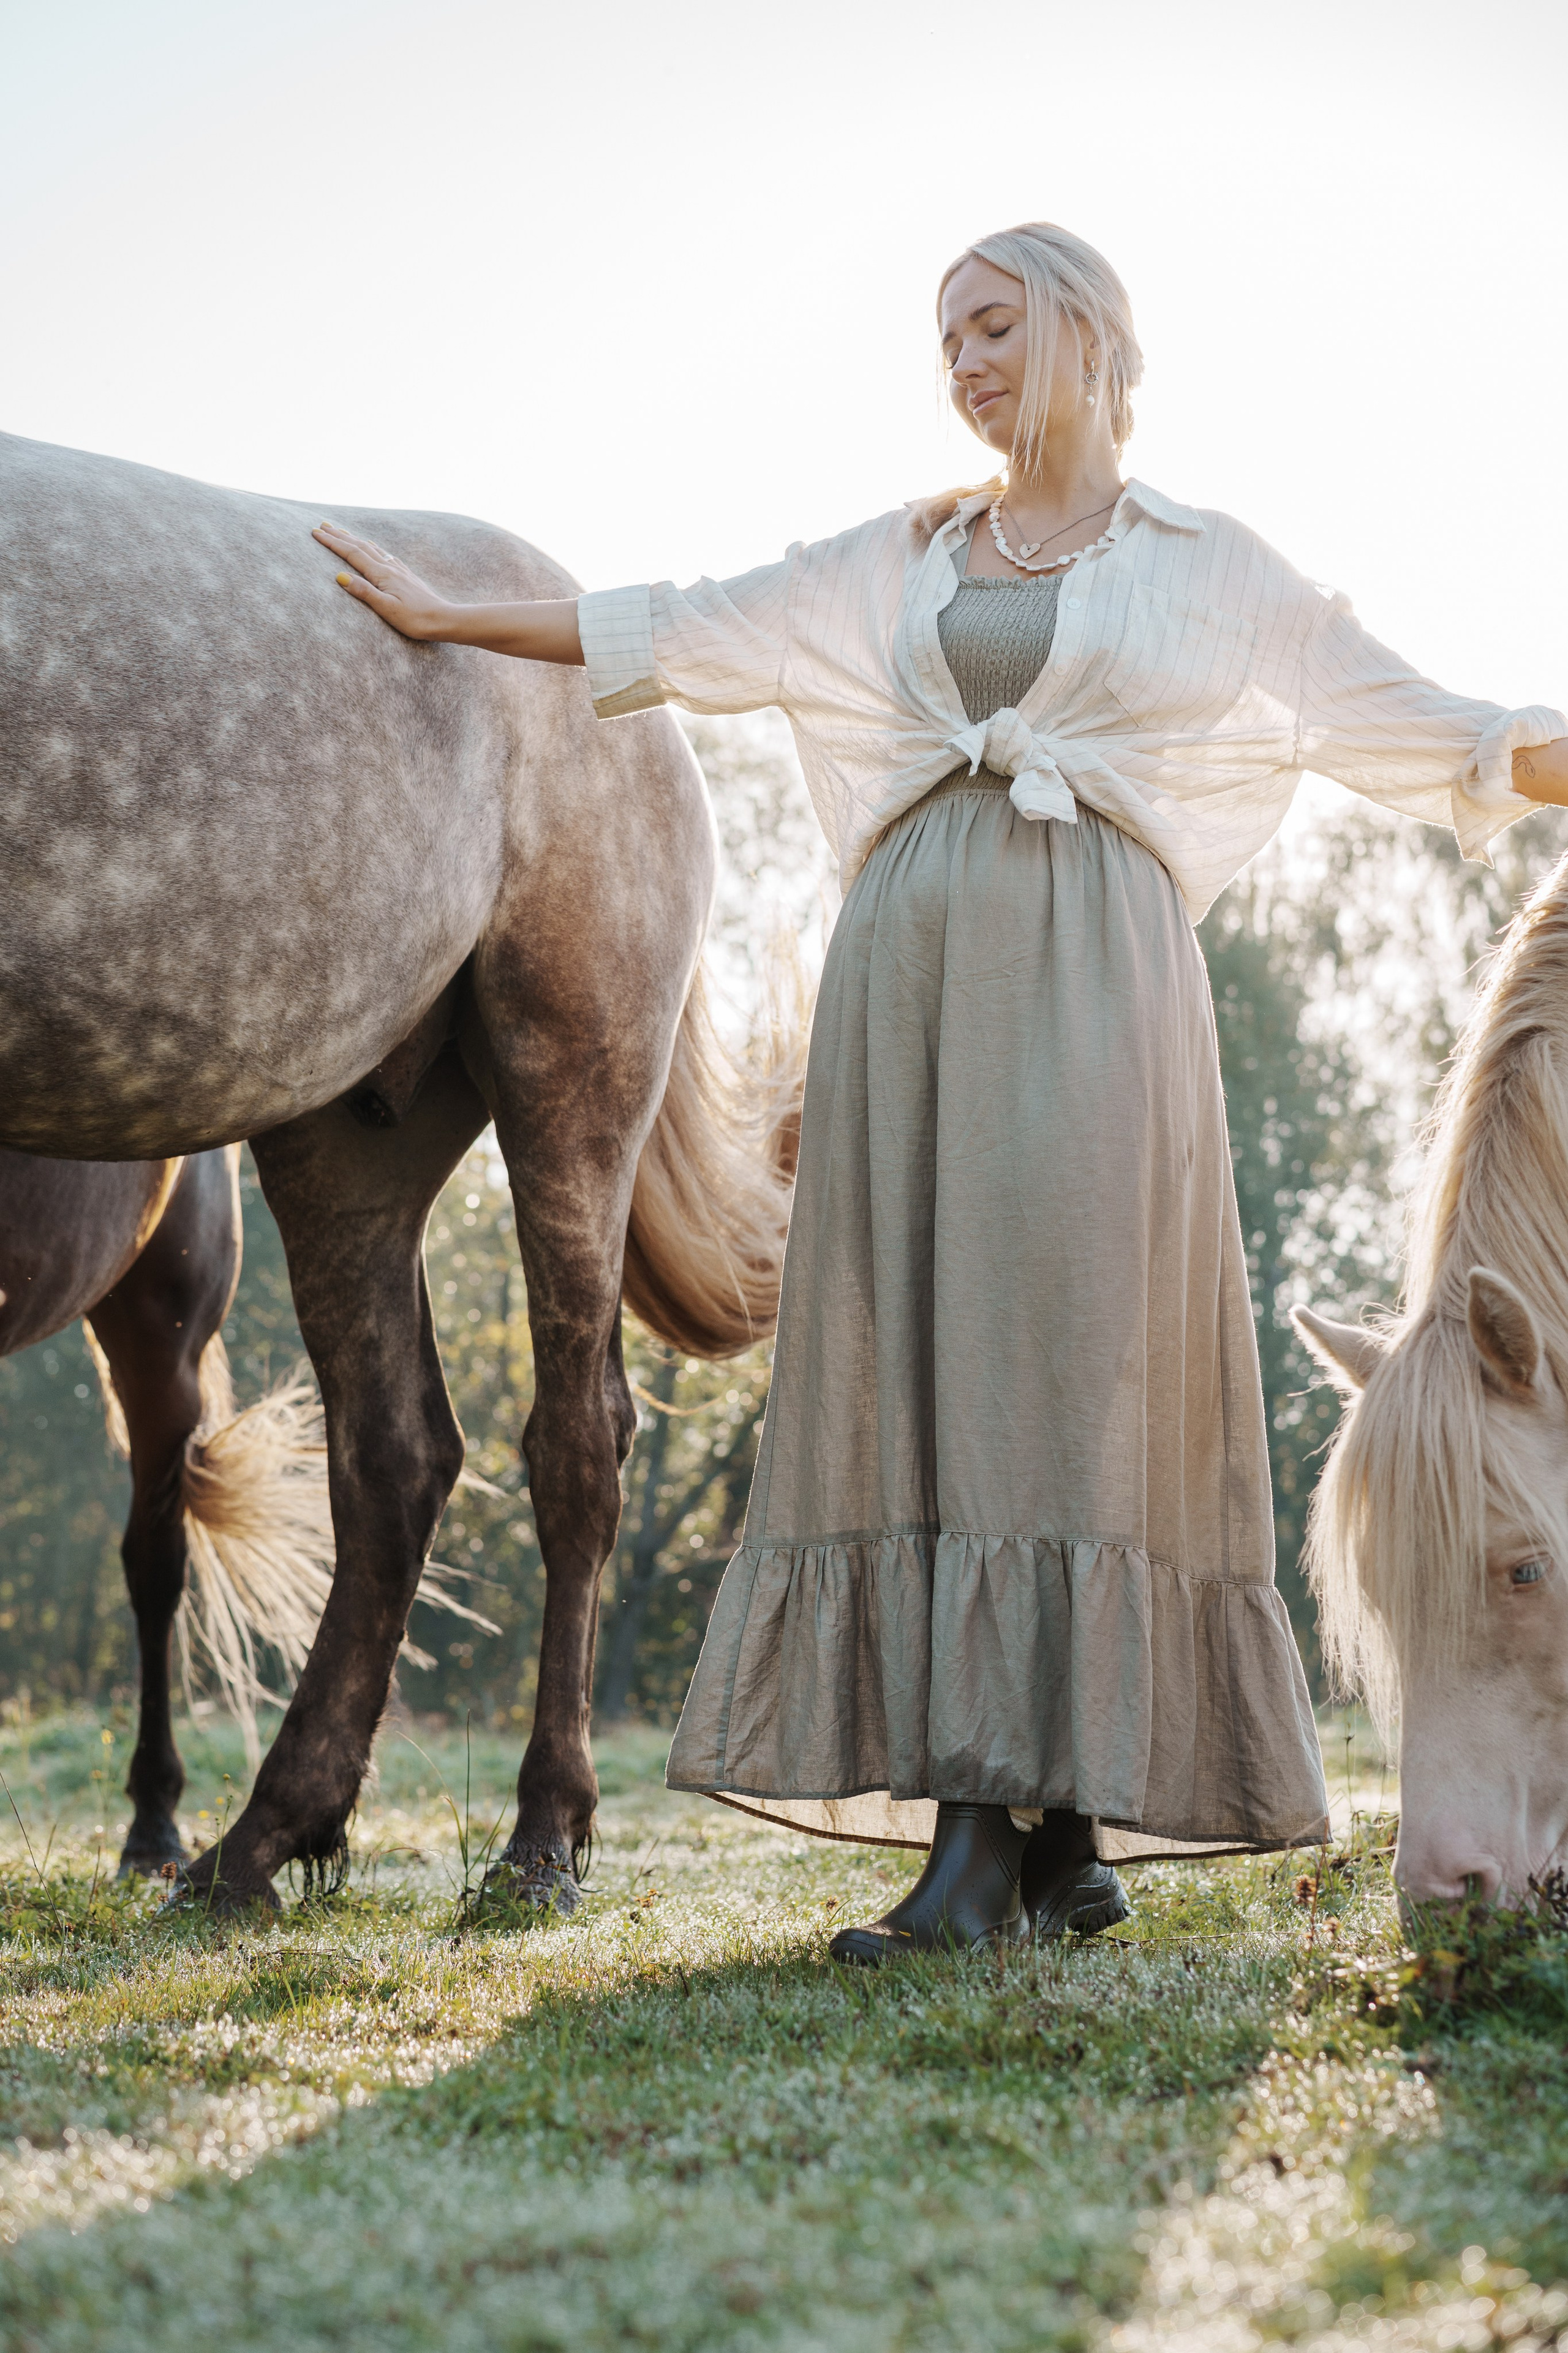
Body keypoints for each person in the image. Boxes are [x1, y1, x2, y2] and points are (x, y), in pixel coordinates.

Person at [315, 221, 1568, 1966]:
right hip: (912, 988)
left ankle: (1001, 1837)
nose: (965, 364)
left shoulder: (1209, 563)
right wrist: (453, 611)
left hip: (1099, 987)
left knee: (1067, 1364)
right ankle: (1045, 1847)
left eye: (992, 326)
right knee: (936, 1360)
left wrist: (1543, 745)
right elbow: (688, 625)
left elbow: (1420, 722)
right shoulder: (906, 555)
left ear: (1088, 333)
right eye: (946, 341)